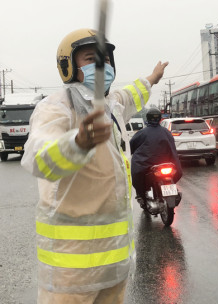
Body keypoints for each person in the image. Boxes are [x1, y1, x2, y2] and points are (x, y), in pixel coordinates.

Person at [21, 28, 168, 303]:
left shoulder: (111, 104)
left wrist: (152, 78)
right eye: (90, 58)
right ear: (68, 67)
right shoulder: (58, 107)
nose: (102, 66)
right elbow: (37, 158)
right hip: (71, 277)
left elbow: (130, 95)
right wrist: (77, 143)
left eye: (106, 59)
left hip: (115, 268)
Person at [130, 108, 183, 205]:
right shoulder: (167, 132)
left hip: (146, 165)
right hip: (167, 163)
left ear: (148, 118)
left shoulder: (141, 133)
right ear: (160, 119)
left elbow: (131, 146)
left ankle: (142, 195)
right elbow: (172, 147)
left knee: (136, 173)